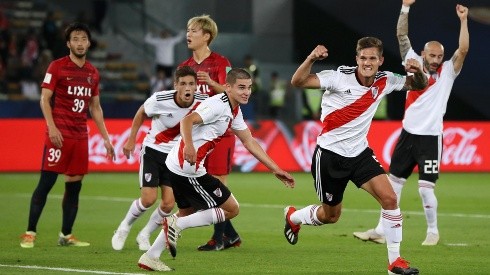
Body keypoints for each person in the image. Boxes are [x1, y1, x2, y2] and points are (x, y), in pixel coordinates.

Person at [284, 37, 427, 275]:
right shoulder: (338, 77)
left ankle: (395, 263)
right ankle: (294, 217)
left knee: (390, 199)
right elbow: (298, 81)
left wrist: (419, 70)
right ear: (356, 59)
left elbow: (418, 85)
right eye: (363, 58)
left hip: (360, 154)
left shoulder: (386, 80)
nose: (367, 63)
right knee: (330, 216)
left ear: (380, 60)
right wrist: (311, 58)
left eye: (372, 58)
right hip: (330, 156)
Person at [137, 68, 295, 271]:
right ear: (228, 87)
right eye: (241, 87)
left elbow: (248, 140)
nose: (246, 92)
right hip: (188, 169)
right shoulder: (217, 105)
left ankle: (151, 256)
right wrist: (190, 146)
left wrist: (275, 169)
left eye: (248, 87)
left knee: (186, 211)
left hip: (177, 165)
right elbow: (187, 120)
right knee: (231, 209)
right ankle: (176, 226)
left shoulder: (233, 109)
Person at [353, 1, 469, 247]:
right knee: (392, 186)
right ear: (424, 54)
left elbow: (463, 49)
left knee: (426, 189)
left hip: (430, 138)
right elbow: (401, 35)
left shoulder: (448, 71)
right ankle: (381, 230)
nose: (436, 59)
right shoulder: (412, 61)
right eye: (432, 55)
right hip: (407, 135)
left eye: (439, 56)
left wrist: (463, 20)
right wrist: (405, 7)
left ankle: (433, 231)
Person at [20, 22, 115, 248]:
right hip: (59, 136)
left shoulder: (92, 72)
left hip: (80, 136)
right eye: (75, 39)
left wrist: (105, 137)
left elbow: (95, 107)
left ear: (89, 43)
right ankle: (30, 232)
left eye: (83, 39)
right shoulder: (57, 67)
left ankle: (66, 234)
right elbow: (44, 99)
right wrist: (52, 127)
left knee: (74, 186)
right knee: (46, 183)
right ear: (68, 44)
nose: (80, 43)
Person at [111, 66, 207, 251]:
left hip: (174, 159)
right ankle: (124, 227)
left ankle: (144, 234)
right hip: (153, 152)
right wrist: (131, 140)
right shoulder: (160, 99)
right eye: (183, 83)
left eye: (191, 84)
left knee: (169, 204)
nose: (187, 88)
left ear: (196, 87)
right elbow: (141, 112)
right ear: (175, 85)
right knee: (148, 199)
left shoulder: (204, 102)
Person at [178, 14, 239, 251]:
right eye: (188, 30)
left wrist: (212, 84)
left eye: (194, 30)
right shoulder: (185, 68)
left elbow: (232, 94)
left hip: (221, 135)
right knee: (200, 187)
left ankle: (219, 239)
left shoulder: (222, 62)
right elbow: (181, 102)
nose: (188, 34)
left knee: (218, 187)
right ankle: (231, 235)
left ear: (206, 36)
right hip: (198, 135)